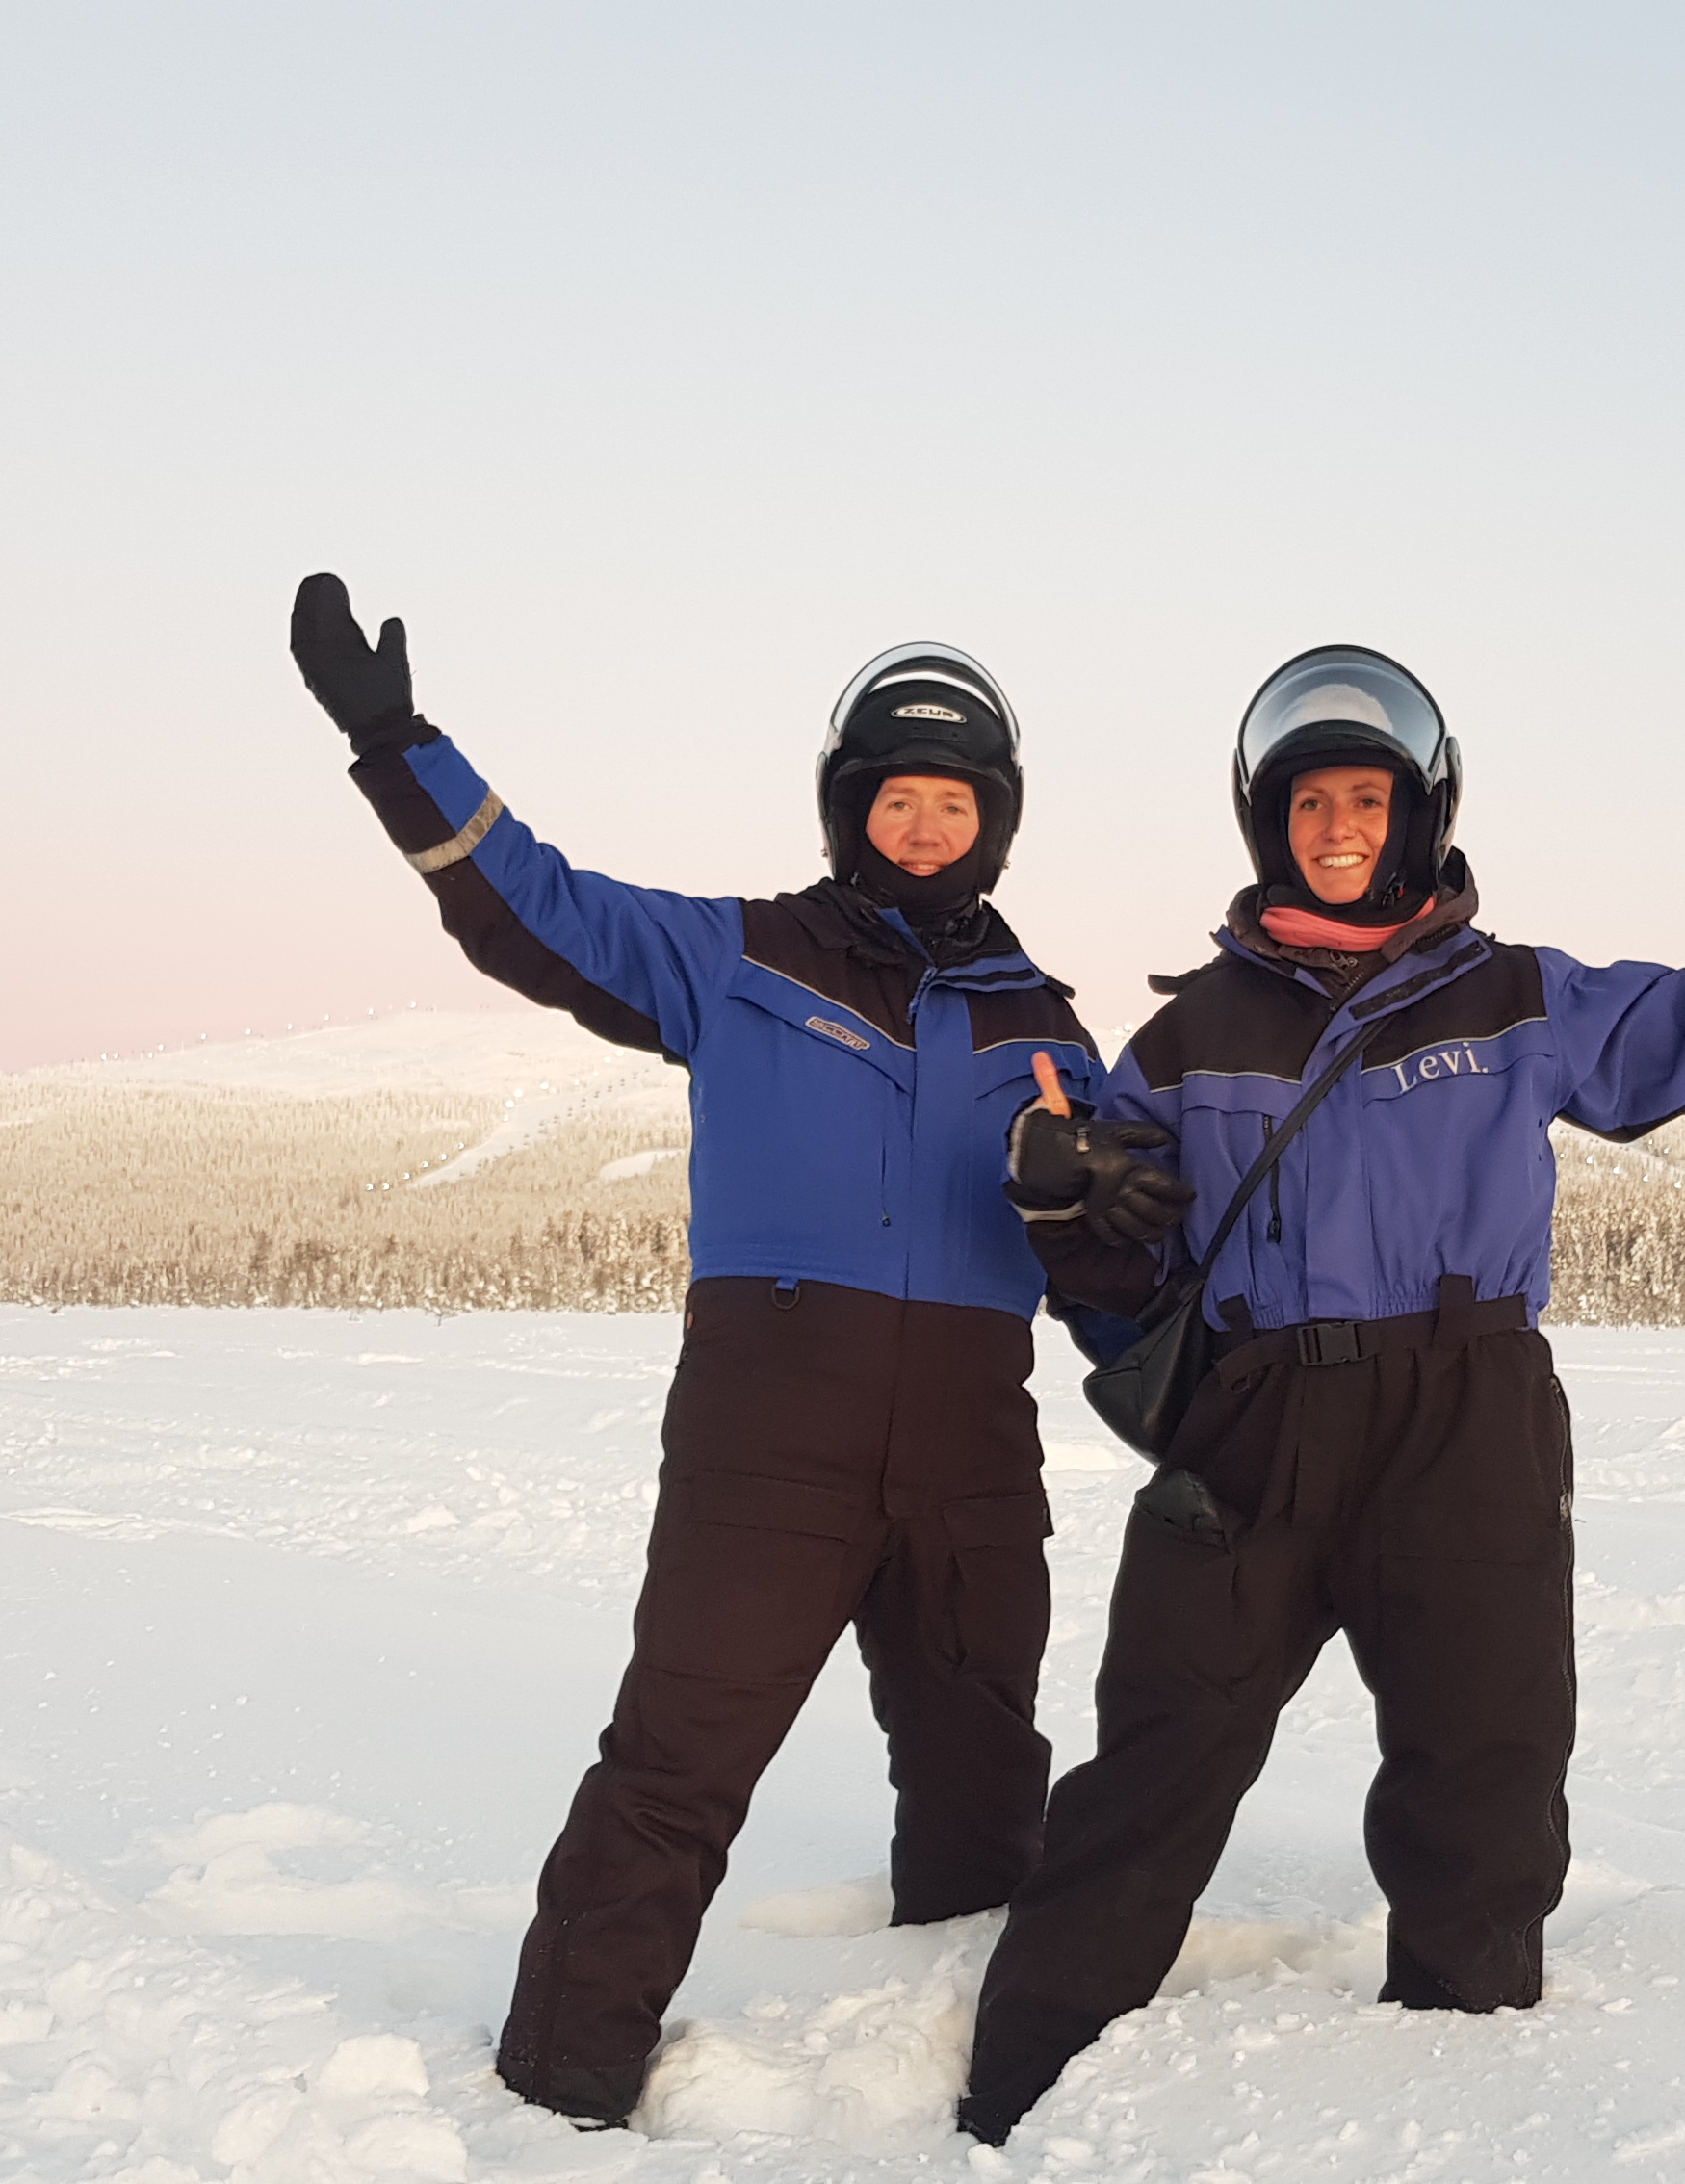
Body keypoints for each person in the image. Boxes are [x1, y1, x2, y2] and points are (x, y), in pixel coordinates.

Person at [962, 646, 1685, 2143]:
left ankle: (1465, 2097)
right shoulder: (1191, 1037)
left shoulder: (1518, 995)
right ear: (1270, 822)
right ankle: (1017, 2095)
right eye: (1311, 802)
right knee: (1155, 1760)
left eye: (1366, 798)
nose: (1339, 826)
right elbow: (1119, 1285)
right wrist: (1063, 1194)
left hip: (1468, 1415)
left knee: (1485, 1771)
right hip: (1257, 1428)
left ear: (1417, 814)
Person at [283, 574, 1186, 2127]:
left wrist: (1104, 1230)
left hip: (973, 1445)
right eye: (897, 799)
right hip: (773, 1439)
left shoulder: (1049, 1031)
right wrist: (396, 744)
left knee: (981, 1771)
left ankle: (964, 2064)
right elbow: (539, 906)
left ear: (995, 824)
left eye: (953, 803)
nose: (924, 827)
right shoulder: (741, 957)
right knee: (679, 1759)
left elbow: (1110, 1282)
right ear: (849, 811)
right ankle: (561, 2087)